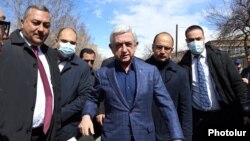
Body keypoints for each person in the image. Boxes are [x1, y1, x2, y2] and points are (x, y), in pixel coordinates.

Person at [78, 24, 184, 141]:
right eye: (118, 45)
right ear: (111, 47)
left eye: (128, 44)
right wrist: (86, 115)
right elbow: (92, 98)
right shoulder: (102, 74)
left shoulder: (150, 71)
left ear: (135, 45)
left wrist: (177, 136)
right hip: (114, 136)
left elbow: (166, 105)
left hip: (145, 136)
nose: (124, 49)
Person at [179, 25, 250, 141]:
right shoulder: (183, 65)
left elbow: (237, 84)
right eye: (191, 40)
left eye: (198, 38)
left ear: (204, 38)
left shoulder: (221, 57)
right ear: (186, 41)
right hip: (199, 118)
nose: (195, 42)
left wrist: (245, 111)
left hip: (223, 115)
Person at [0, 5, 61, 141]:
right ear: (22, 23)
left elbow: (56, 96)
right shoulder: (5, 50)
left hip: (46, 135)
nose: (41, 29)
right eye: (35, 23)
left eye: (46, 25)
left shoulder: (50, 54)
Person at [146, 32, 192, 141]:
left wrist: (186, 137)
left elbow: (185, 109)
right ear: (153, 47)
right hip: (145, 133)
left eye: (167, 48)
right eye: (159, 47)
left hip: (171, 134)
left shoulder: (180, 73)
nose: (162, 51)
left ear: (171, 50)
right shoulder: (140, 70)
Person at [55, 27, 91, 141]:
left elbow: (83, 97)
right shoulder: (44, 58)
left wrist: (60, 115)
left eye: (72, 43)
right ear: (56, 41)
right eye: (64, 41)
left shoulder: (82, 67)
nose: (68, 45)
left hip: (66, 128)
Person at [78, 48, 103, 141]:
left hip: (92, 120)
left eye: (92, 61)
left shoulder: (97, 77)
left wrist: (101, 111)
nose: (89, 64)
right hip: (73, 119)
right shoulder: (72, 75)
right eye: (86, 61)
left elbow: (101, 97)